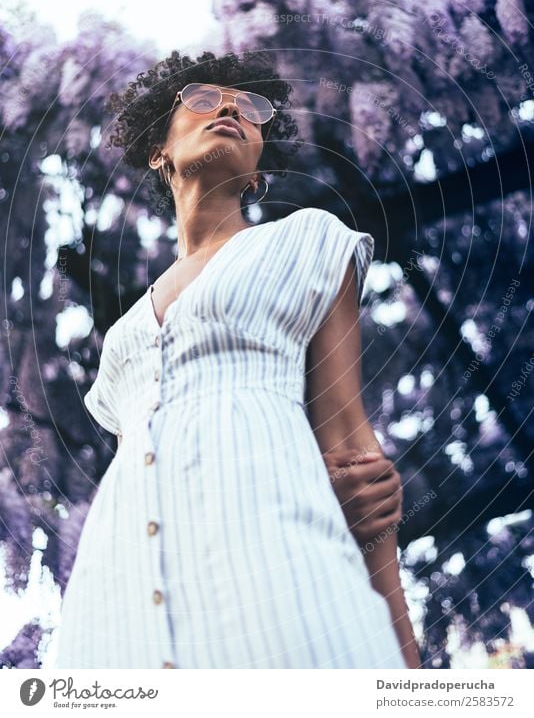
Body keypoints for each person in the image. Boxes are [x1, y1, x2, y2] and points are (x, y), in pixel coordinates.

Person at [54, 49, 420, 669]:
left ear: (257, 171)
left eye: (251, 108)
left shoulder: (308, 239)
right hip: (113, 600)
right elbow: (143, 465)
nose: (228, 107)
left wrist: (407, 664)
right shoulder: (120, 341)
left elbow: (354, 455)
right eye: (201, 99)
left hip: (276, 568)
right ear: (158, 151)